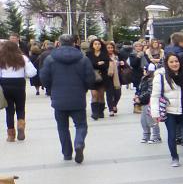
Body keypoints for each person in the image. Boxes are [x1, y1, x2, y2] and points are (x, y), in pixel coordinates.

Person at [39, 34, 93, 162]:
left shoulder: (51, 59)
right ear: (74, 43)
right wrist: (84, 88)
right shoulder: (83, 59)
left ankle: (67, 153)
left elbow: (44, 77)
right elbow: (90, 78)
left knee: (62, 127)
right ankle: (79, 143)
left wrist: (51, 89)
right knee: (81, 125)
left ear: (59, 43)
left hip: (59, 97)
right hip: (77, 97)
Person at [0, 40, 38, 141]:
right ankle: (21, 125)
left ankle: (11, 134)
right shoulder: (23, 58)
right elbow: (32, 72)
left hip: (5, 84)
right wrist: (23, 74)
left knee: (9, 110)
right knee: (21, 108)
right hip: (19, 84)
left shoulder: (1, 58)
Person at [135, 63, 161, 144]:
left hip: (150, 102)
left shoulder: (153, 79)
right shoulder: (144, 78)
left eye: (145, 69)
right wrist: (137, 95)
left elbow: (150, 92)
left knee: (151, 120)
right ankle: (146, 135)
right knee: (143, 120)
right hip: (144, 102)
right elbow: (140, 89)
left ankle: (156, 136)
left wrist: (140, 98)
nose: (143, 71)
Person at [84, 38, 110, 120]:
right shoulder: (89, 54)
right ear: (92, 45)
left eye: (99, 44)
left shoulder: (104, 54)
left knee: (101, 95)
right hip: (92, 76)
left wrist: (97, 64)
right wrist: (98, 63)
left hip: (103, 77)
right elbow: (88, 64)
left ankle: (101, 111)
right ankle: (94, 113)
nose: (97, 46)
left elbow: (106, 65)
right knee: (94, 94)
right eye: (95, 44)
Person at [104, 41, 123, 116]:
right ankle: (111, 109)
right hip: (108, 76)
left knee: (118, 93)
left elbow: (123, 62)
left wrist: (122, 63)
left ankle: (114, 104)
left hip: (117, 76)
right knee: (109, 93)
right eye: (108, 48)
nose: (110, 49)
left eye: (111, 48)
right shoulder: (104, 56)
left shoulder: (117, 55)